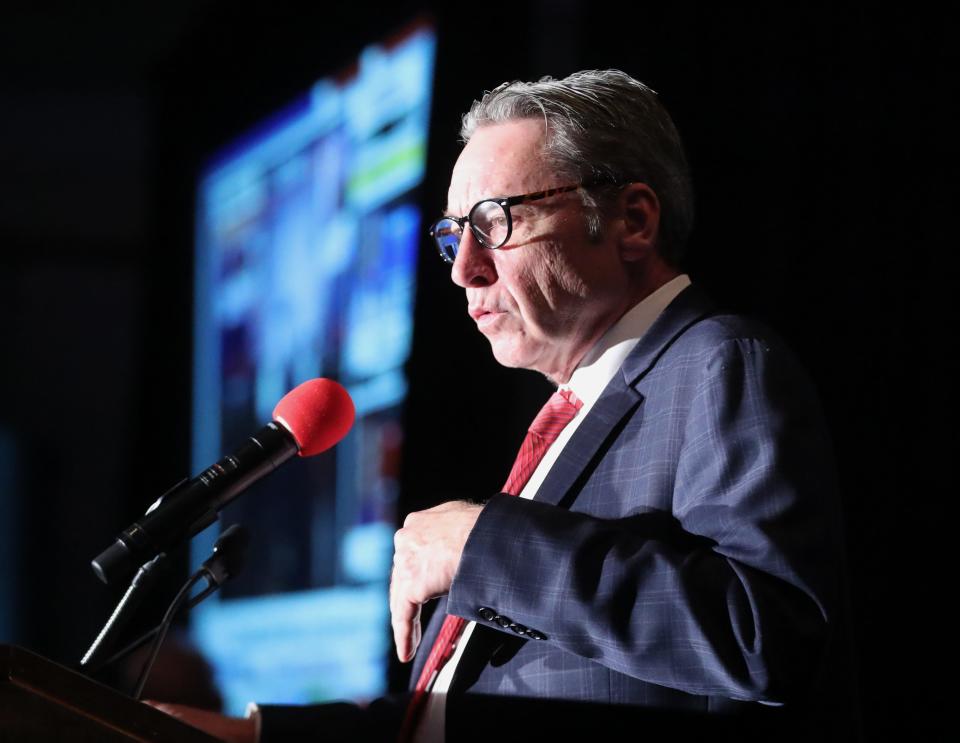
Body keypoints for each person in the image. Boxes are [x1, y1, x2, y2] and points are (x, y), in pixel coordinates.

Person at [154, 69, 854, 742]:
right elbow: (476, 716)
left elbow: (767, 635)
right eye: (455, 234)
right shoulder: (575, 410)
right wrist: (256, 734)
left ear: (632, 221)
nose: (464, 269)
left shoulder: (717, 364)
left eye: (495, 222)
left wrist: (481, 542)